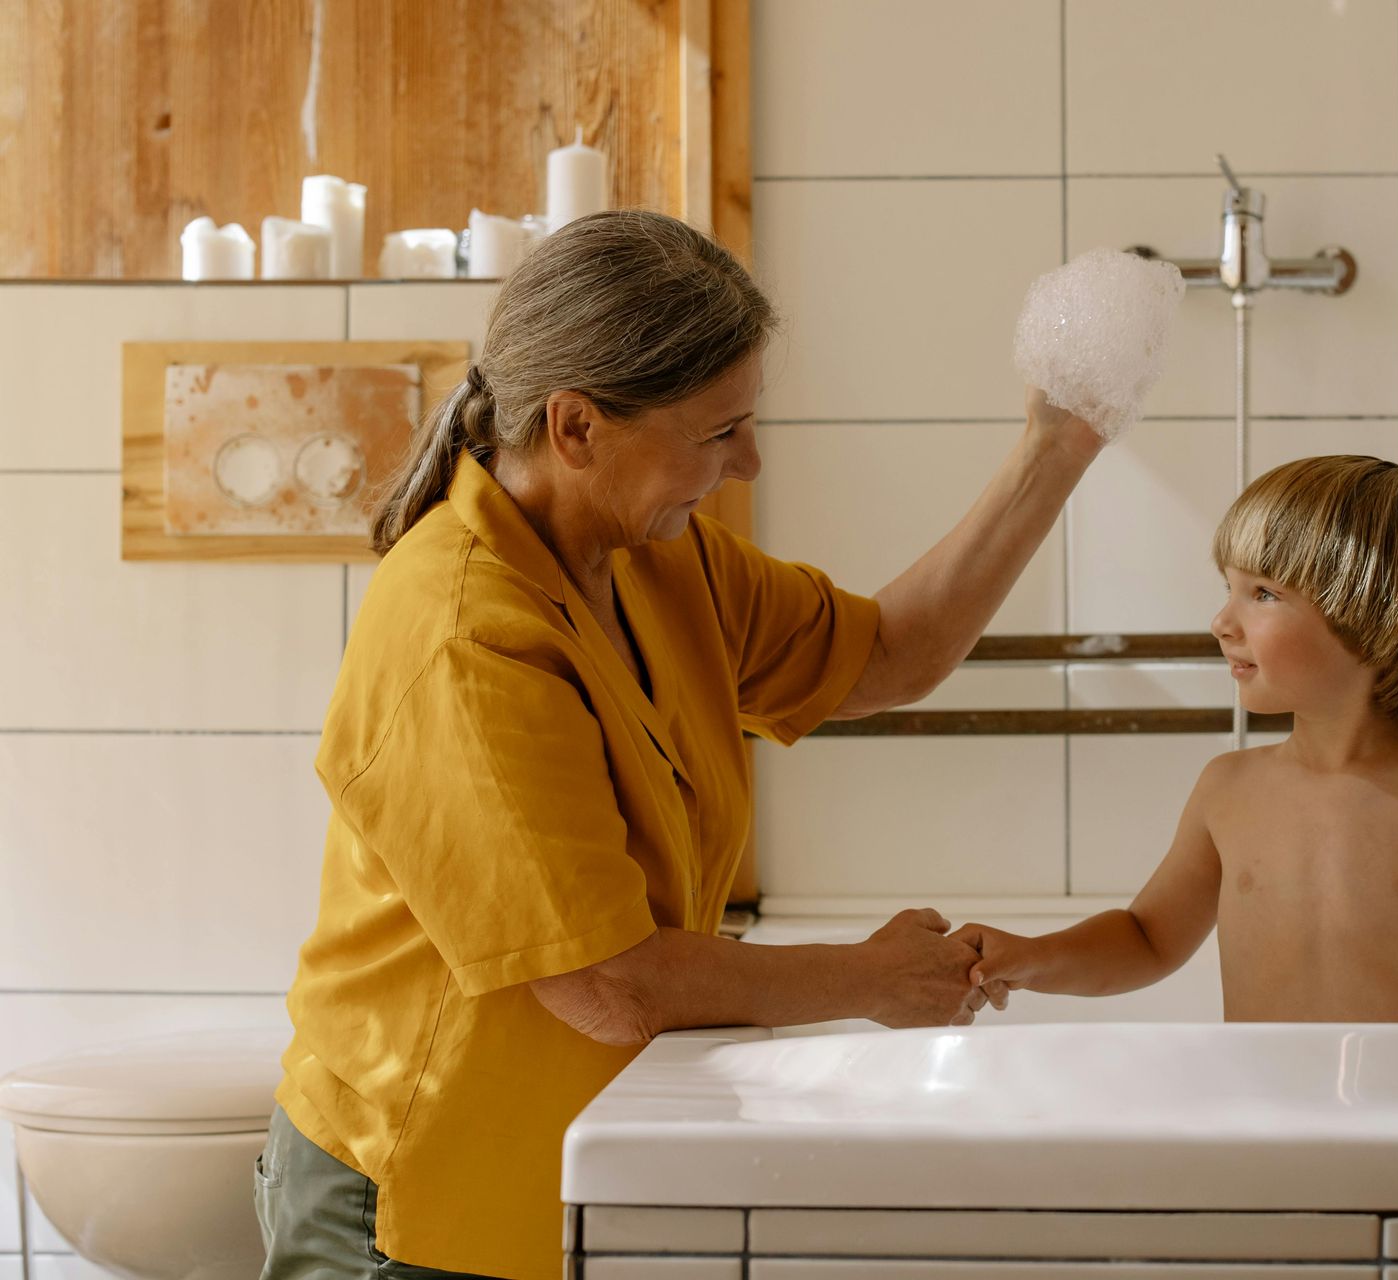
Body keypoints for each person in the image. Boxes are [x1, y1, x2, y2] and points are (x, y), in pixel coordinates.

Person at [255, 210, 1098, 1279]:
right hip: (409, 1192)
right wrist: (872, 976)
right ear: (575, 428)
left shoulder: (659, 557)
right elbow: (609, 983)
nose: (748, 459)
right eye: (717, 431)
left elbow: (889, 654)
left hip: (560, 1157)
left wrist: (1054, 448)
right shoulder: (463, 636)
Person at [958, 455, 1398, 1024]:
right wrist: (1031, 957)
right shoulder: (1229, 789)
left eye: (1263, 593)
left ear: (1378, 613)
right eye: (1229, 589)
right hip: (1261, 1111)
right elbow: (1147, 938)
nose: (1222, 622)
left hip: (1395, 1120)